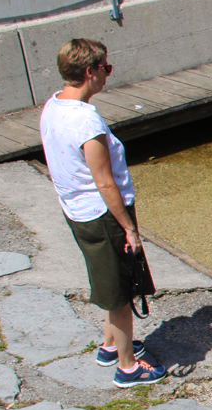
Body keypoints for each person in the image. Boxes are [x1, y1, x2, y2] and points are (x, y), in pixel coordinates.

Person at [39, 38, 167, 388]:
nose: (108, 74)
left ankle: (111, 344)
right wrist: (129, 229)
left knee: (106, 275)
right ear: (89, 72)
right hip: (102, 214)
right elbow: (105, 183)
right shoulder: (86, 123)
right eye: (106, 68)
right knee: (121, 287)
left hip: (76, 209)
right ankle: (127, 367)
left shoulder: (53, 106)